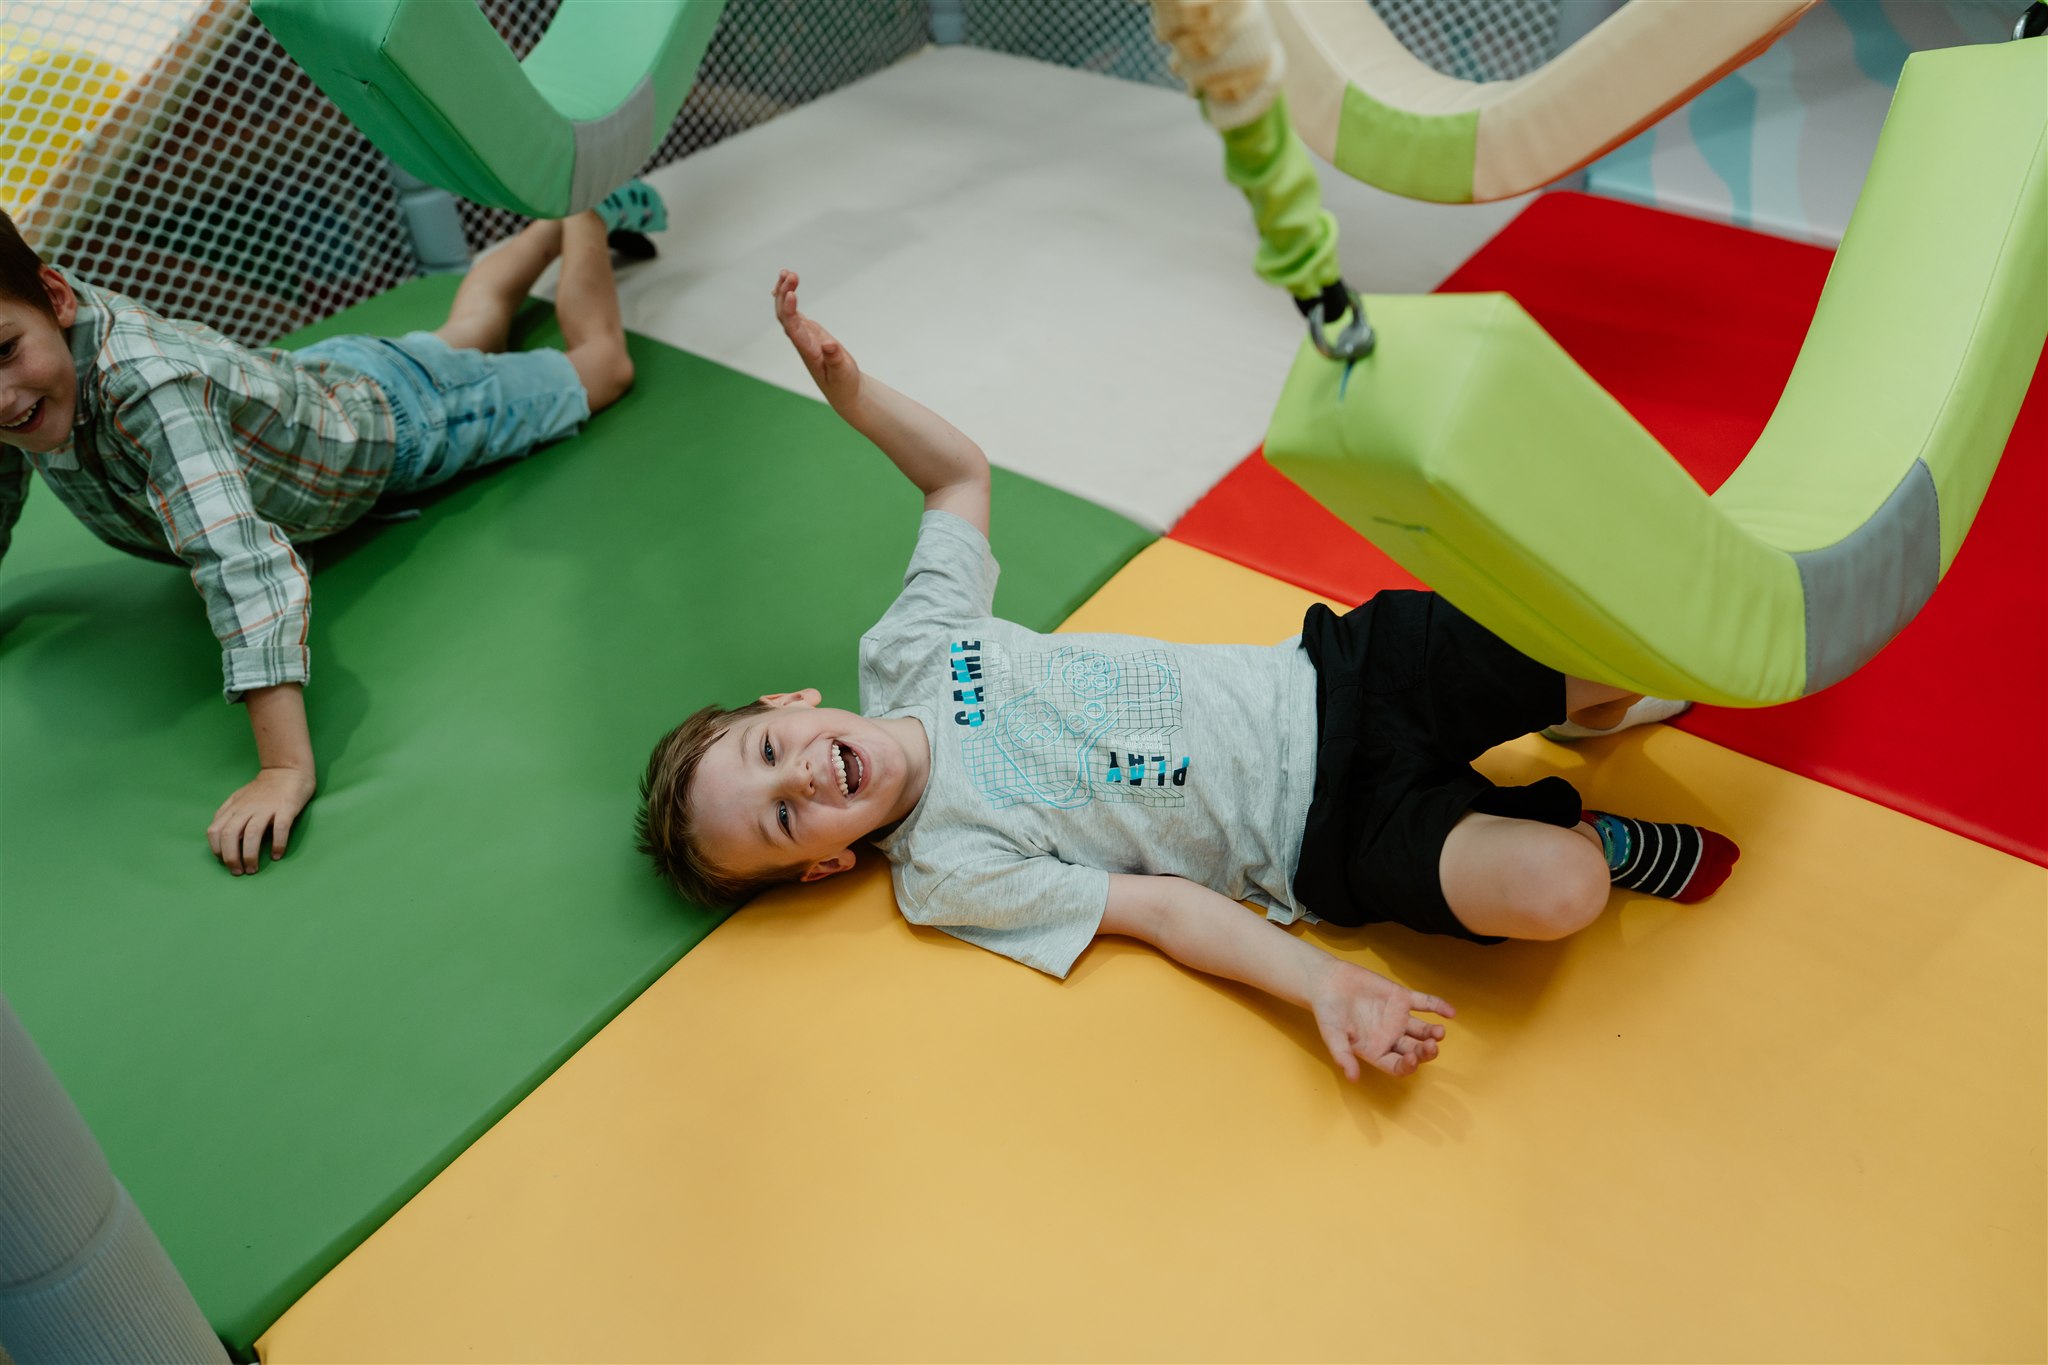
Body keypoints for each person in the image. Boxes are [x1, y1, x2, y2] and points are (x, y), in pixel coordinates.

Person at [636, 271, 1739, 1081]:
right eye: (785, 822)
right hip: (1328, 842)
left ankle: (1587, 709)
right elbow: (1156, 908)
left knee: (1632, 634)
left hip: (1340, 681)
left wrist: (853, 394)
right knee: (1563, 894)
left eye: (770, 752)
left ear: (788, 703)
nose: (807, 781)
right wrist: (1323, 986)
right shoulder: (946, 874)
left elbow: (956, 480)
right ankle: (1590, 826)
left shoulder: (910, 653)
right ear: (825, 868)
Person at [0, 183, 666, 875]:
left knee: (599, 367)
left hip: (399, 426)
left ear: (55, 297)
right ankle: (547, 225)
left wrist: (284, 767)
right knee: (468, 335)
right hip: (327, 388)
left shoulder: (145, 386)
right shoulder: (25, 372)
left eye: (6, 351)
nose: (4, 399)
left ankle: (580, 207)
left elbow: (239, 558)